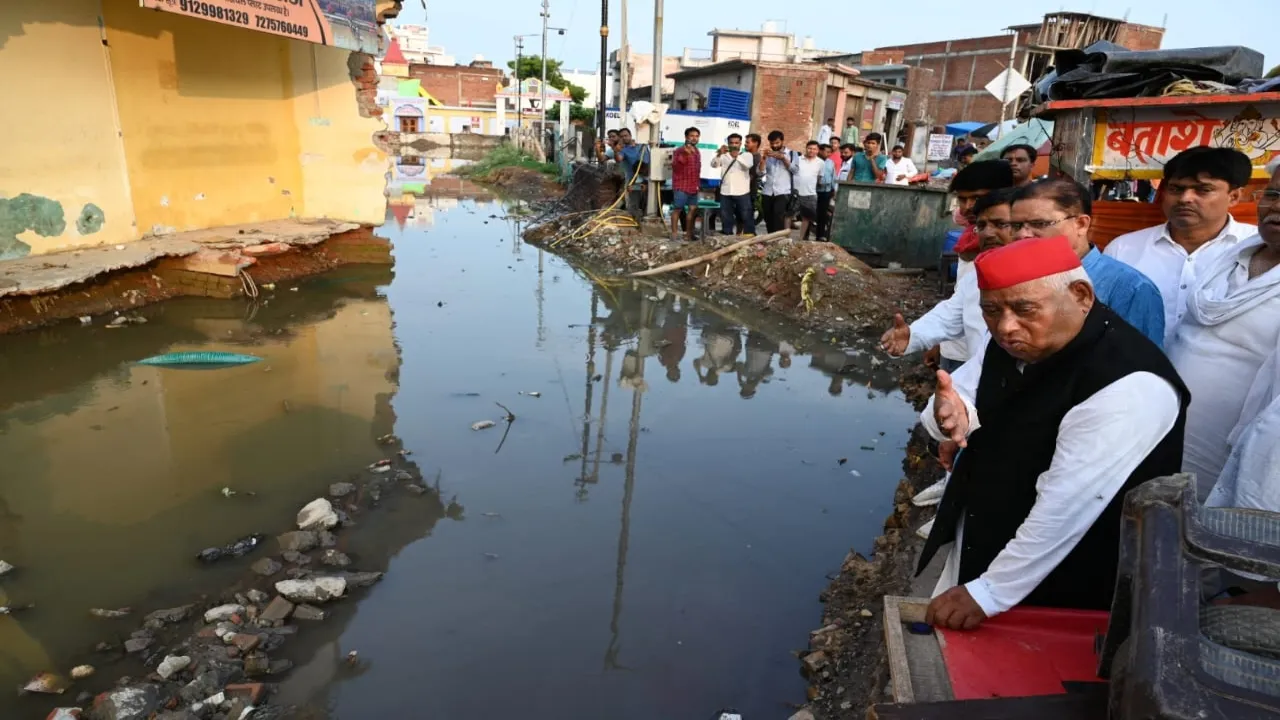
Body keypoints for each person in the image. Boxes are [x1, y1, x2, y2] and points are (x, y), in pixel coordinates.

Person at [919, 236, 1188, 628]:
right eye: (991, 311)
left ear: (1080, 295)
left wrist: (991, 591)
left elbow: (1067, 504)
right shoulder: (1015, 341)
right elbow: (957, 392)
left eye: (1025, 308)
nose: (1006, 326)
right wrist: (945, 416)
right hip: (987, 535)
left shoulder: (1129, 381)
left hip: (1063, 574)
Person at [1168, 159, 1280, 499]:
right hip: (1164, 433)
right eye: (1273, 194)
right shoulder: (1233, 256)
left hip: (1237, 459)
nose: (1276, 206)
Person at [1104, 147, 1257, 345]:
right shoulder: (1123, 249)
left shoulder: (1258, 249)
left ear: (1234, 197)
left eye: (1203, 190)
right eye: (1176, 189)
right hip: (1136, 372)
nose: (1185, 198)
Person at [881, 162, 1016, 370]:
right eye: (981, 226)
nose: (988, 233)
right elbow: (954, 310)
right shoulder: (983, 268)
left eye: (1000, 224)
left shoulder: (1043, 276)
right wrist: (915, 336)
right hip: (969, 359)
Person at [1010, 179, 1166, 347]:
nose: (1023, 235)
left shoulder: (1130, 288)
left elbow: (1138, 362)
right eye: (1016, 225)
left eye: (1039, 224)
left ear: (1081, 224)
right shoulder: (1015, 276)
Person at [713, 133, 754, 236]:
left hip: (742, 191)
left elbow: (748, 165)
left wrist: (737, 157)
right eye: (731, 143)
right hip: (726, 191)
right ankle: (728, 235)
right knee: (726, 216)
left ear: (740, 144)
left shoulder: (747, 155)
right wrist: (718, 154)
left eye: (736, 143)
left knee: (746, 215)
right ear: (728, 143)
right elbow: (714, 165)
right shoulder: (724, 155)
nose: (734, 145)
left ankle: (749, 235)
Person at [759, 131, 798, 234]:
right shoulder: (768, 155)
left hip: (783, 191)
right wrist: (763, 159)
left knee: (778, 217)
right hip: (767, 191)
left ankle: (777, 240)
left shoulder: (792, 154)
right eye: (772, 143)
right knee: (768, 217)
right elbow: (760, 173)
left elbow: (795, 170)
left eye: (777, 143)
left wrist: (783, 159)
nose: (774, 146)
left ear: (782, 141)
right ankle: (770, 238)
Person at [670, 127, 703, 241]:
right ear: (686, 137)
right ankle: (674, 234)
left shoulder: (697, 151)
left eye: (696, 136)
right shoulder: (680, 150)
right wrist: (685, 154)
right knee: (678, 209)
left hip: (693, 185)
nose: (694, 138)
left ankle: (689, 234)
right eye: (692, 136)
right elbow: (676, 167)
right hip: (681, 185)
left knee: (693, 209)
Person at [616, 128, 650, 223]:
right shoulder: (624, 150)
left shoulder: (642, 146)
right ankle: (635, 223)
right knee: (633, 205)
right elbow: (619, 159)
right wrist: (616, 151)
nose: (624, 138)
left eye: (626, 135)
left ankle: (645, 223)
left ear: (630, 135)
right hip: (633, 180)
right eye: (622, 137)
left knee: (648, 204)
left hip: (648, 179)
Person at [793, 141, 825, 241]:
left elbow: (820, 178)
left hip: (810, 194)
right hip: (795, 193)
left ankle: (801, 239)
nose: (811, 151)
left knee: (806, 218)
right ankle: (786, 238)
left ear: (818, 150)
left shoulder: (821, 162)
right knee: (789, 215)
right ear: (806, 148)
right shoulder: (797, 159)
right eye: (809, 148)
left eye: (814, 149)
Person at [813, 144, 838, 241]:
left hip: (826, 191)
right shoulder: (815, 161)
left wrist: (833, 189)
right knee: (811, 213)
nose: (827, 154)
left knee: (822, 214)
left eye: (829, 152)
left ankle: (820, 235)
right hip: (814, 190)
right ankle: (805, 234)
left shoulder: (830, 162)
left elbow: (833, 176)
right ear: (820, 151)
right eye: (825, 151)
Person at [745, 133, 764, 232]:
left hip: (749, 189)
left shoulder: (756, 158)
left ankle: (749, 232)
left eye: (748, 142)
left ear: (756, 143)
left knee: (748, 213)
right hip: (745, 189)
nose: (745, 144)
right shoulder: (746, 155)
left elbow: (752, 176)